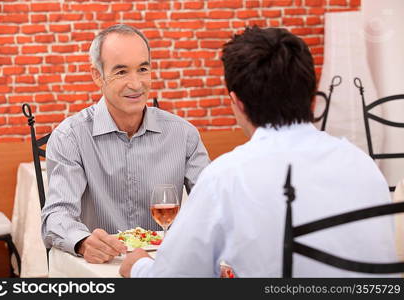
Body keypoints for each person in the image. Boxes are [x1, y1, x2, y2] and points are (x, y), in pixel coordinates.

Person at [119, 26, 398, 277]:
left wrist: (138, 266)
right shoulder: (363, 164)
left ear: (236, 103)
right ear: (311, 97)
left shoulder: (227, 176)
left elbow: (173, 282)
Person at [41, 24, 210, 263]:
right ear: (97, 76)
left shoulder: (184, 135)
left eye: (143, 69)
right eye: (121, 72)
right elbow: (56, 216)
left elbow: (214, 205)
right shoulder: (70, 137)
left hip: (163, 267)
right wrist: (82, 242)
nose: (136, 83)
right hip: (102, 270)